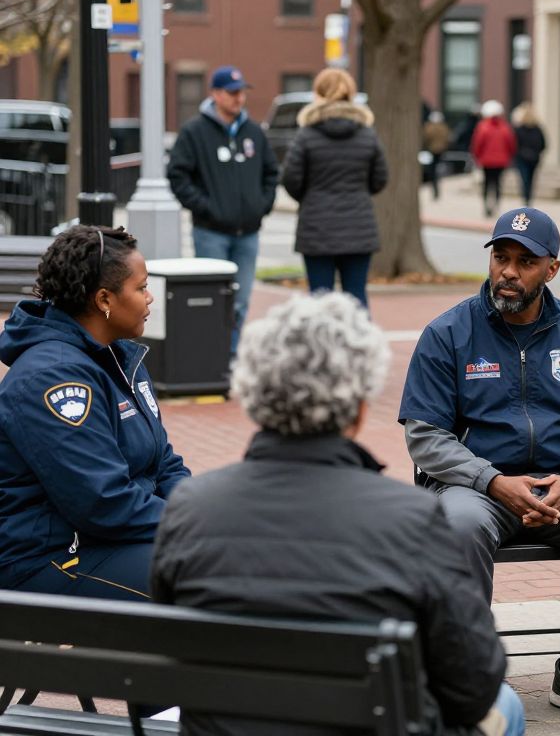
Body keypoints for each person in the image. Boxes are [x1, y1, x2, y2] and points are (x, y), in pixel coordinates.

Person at [151, 292, 524, 736]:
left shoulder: (191, 506)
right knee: (507, 704)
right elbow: (475, 682)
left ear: (254, 396)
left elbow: (175, 649)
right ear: (359, 407)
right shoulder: (411, 516)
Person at [398, 207, 560, 725]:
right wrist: (492, 481)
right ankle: (470, 673)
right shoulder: (448, 332)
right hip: (475, 488)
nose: (509, 272)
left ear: (552, 269)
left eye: (525, 261)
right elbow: (424, 437)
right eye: (501, 258)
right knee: (460, 524)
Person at [0, 226, 189, 600]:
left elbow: (163, 464)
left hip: (110, 538)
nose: (150, 298)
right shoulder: (52, 378)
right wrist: (192, 526)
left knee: (233, 563)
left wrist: (206, 512)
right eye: (141, 288)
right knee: (208, 585)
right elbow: (103, 503)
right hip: (47, 557)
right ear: (105, 298)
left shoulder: (119, 357)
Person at [167, 65, 279, 357]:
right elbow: (178, 176)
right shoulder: (194, 132)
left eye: (241, 92)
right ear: (215, 94)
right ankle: (210, 359)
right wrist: (207, 208)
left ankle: (229, 359)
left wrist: (261, 206)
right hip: (211, 233)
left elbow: (271, 173)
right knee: (212, 298)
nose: (238, 98)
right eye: (232, 93)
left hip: (248, 234)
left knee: (240, 301)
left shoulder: (253, 132)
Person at [281, 68, 388, 307]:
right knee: (357, 296)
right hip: (358, 227)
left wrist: (310, 197)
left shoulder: (306, 135)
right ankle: (360, 344)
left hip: (316, 227)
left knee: (319, 299)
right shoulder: (366, 135)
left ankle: (320, 345)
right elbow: (380, 178)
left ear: (318, 93)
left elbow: (290, 179)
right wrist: (358, 193)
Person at [471, 100, 517, 218]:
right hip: (501, 161)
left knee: (487, 183)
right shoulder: (505, 127)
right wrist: (510, 156)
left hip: (486, 161)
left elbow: (477, 144)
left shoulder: (482, 126)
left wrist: (476, 156)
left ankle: (487, 205)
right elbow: (511, 144)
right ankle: (496, 204)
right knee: (497, 183)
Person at [511, 102, 546, 207]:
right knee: (530, 179)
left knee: (524, 178)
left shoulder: (518, 129)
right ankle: (528, 197)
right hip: (534, 158)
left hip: (522, 158)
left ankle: (526, 197)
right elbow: (543, 144)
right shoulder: (538, 129)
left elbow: (514, 144)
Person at [423, 110, 450, 200]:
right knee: (438, 170)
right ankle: (437, 188)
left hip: (431, 151)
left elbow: (425, 138)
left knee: (432, 171)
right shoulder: (444, 128)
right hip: (441, 151)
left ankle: (435, 189)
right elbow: (448, 139)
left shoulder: (428, 127)